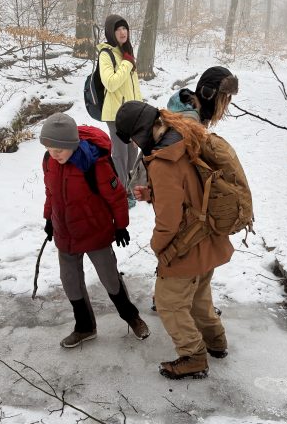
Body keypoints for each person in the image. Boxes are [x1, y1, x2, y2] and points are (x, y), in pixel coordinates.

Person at [114, 101, 234, 379]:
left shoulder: (163, 161)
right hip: (209, 238)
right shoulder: (184, 135)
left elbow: (168, 222)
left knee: (169, 303)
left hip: (186, 246)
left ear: (141, 131)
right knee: (199, 296)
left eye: (131, 138)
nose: (132, 144)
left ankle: (193, 356)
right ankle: (216, 343)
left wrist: (158, 247)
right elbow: (189, 190)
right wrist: (153, 195)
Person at [40, 112, 150, 348]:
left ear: (72, 144)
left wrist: (121, 226)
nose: (54, 153)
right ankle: (85, 327)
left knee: (110, 279)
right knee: (70, 281)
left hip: (95, 232)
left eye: (59, 148)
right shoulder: (49, 162)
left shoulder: (94, 164)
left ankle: (132, 317)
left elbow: (117, 197)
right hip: (65, 234)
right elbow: (51, 193)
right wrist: (49, 218)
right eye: (50, 148)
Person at [130, 66, 239, 203]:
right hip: (167, 193)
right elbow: (172, 165)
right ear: (209, 94)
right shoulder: (189, 123)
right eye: (224, 97)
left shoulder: (189, 104)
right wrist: (152, 192)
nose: (226, 103)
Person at [98, 14, 142, 209]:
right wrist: (126, 63)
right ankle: (121, 193)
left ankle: (130, 188)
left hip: (133, 114)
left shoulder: (127, 52)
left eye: (125, 28)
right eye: (118, 29)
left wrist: (140, 110)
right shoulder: (106, 54)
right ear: (111, 32)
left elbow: (134, 87)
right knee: (120, 154)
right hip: (115, 114)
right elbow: (111, 83)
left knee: (133, 151)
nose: (123, 32)